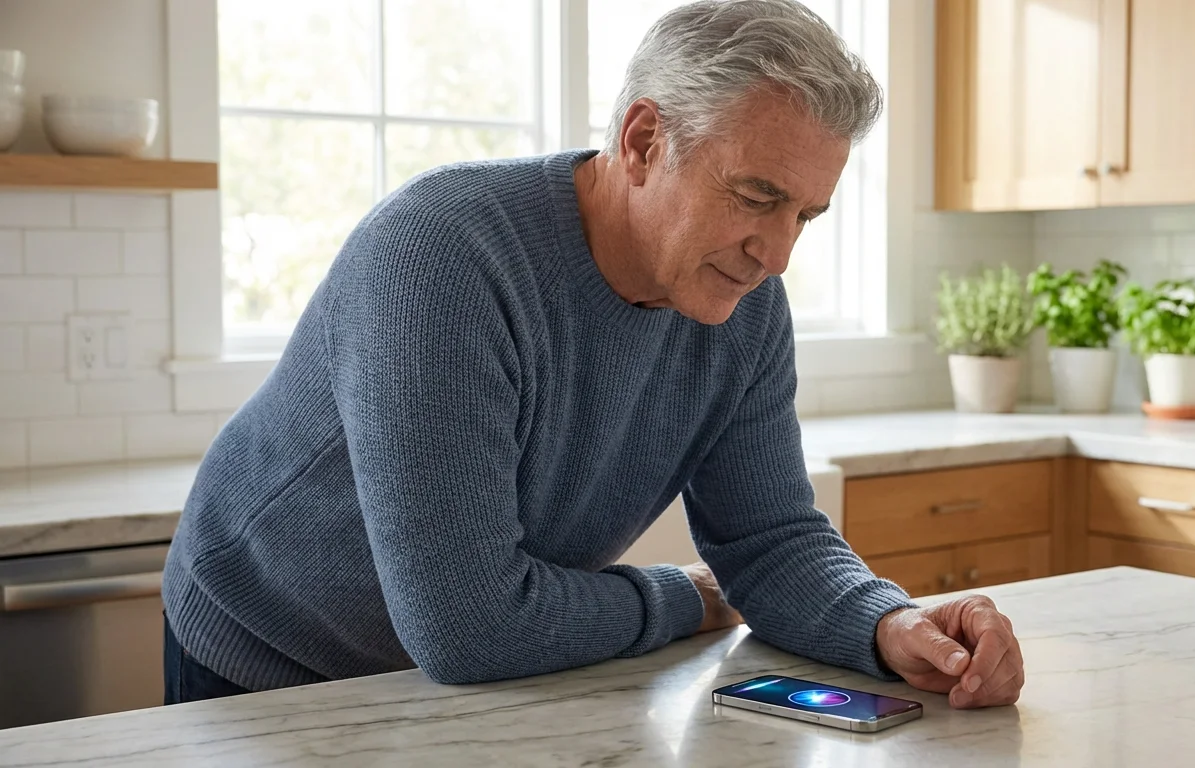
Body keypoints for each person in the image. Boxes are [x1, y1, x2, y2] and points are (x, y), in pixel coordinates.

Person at [163, 0, 1025, 710]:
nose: (779, 252)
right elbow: (471, 628)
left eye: (805, 213)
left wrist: (888, 624)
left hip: (469, 680)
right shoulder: (443, 261)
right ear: (644, 141)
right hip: (268, 656)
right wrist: (682, 597)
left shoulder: (743, 303)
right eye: (757, 196)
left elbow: (767, 538)